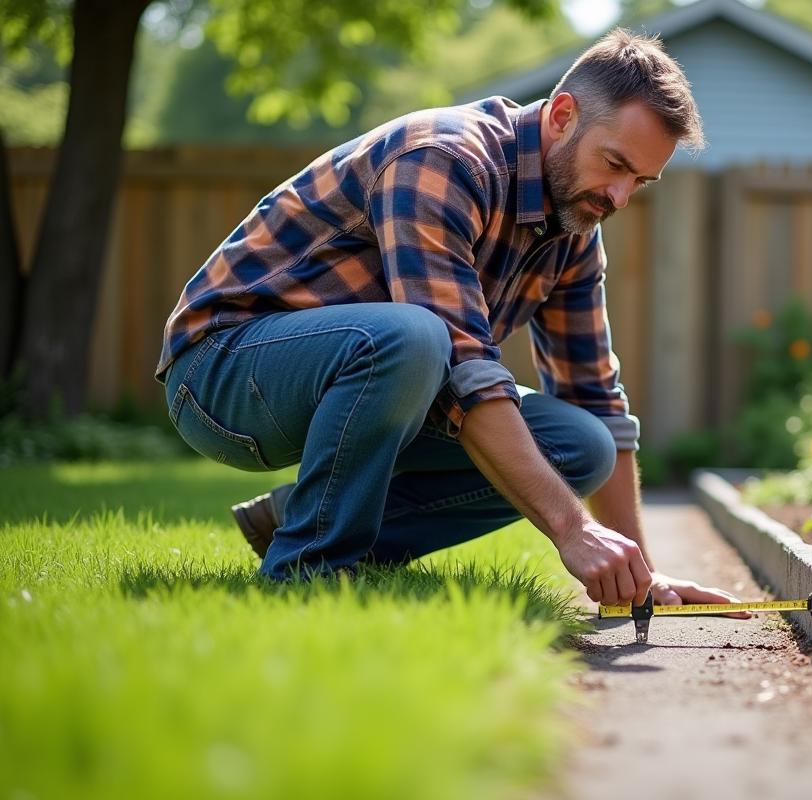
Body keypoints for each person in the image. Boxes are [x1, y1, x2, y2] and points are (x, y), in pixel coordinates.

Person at [156, 29, 744, 612]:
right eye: (613, 164)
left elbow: (595, 398)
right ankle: (308, 570)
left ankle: (307, 522)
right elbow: (465, 368)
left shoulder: (574, 228)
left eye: (639, 181)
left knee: (581, 445)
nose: (619, 196)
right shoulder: (442, 157)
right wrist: (571, 529)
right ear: (563, 115)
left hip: (367, 381)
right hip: (222, 369)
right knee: (415, 336)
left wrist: (640, 575)